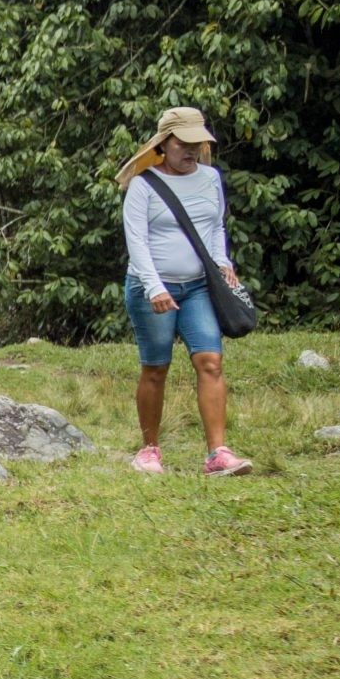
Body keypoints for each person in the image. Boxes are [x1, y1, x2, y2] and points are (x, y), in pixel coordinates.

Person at [118, 106, 251, 475]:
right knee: (155, 368)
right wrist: (154, 286)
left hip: (197, 288)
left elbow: (215, 227)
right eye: (183, 144)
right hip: (153, 289)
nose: (191, 151)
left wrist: (222, 263)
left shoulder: (210, 178)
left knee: (210, 361)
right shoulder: (143, 184)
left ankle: (218, 454)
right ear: (165, 144)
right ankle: (149, 450)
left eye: (198, 144)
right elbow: (137, 242)